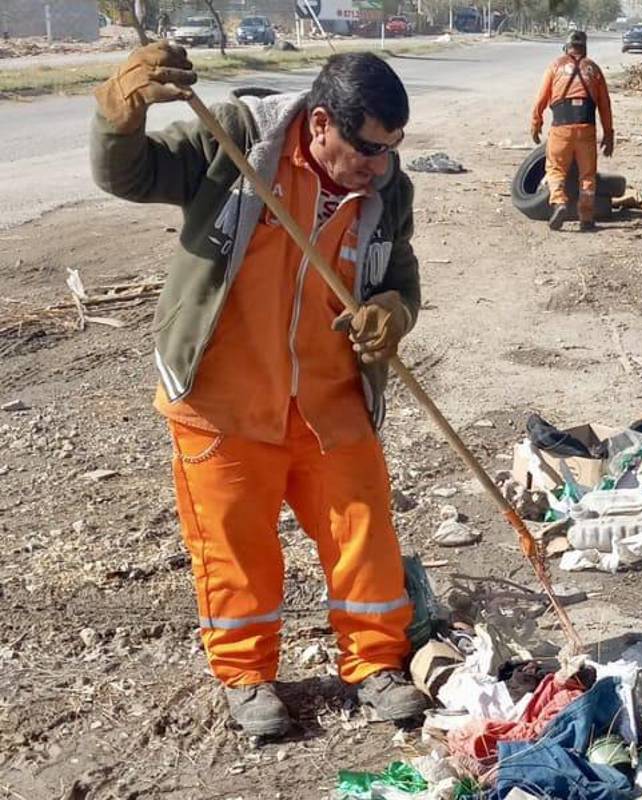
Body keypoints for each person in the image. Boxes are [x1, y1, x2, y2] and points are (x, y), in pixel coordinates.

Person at [90, 43, 426, 737]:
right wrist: (117, 116)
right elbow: (129, 174)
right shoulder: (236, 142)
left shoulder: (388, 191)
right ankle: (246, 676)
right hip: (225, 401)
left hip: (330, 401)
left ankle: (375, 663)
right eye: (368, 148)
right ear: (322, 123)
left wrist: (393, 313)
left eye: (391, 149)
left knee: (365, 535)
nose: (379, 166)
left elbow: (402, 276)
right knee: (234, 547)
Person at [530, 30, 614, 231]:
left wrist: (536, 123)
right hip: (586, 128)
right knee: (587, 174)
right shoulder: (594, 69)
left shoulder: (555, 66)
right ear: (584, 48)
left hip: (561, 128)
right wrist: (609, 134)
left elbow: (541, 98)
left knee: (556, 169)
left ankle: (559, 202)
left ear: (566, 47)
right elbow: (605, 105)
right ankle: (586, 218)